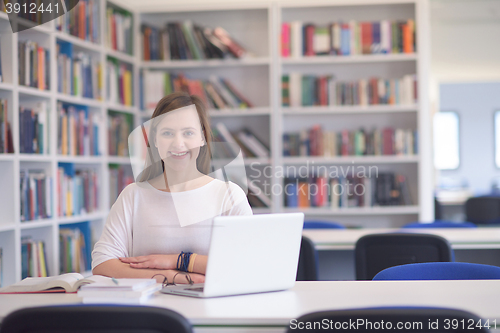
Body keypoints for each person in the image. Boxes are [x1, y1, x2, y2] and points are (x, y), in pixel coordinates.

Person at [92, 92, 253, 284]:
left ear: (202, 138)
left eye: (188, 133)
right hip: (149, 311)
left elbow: (247, 264)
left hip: (210, 310)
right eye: (167, 133)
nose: (178, 143)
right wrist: (173, 276)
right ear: (154, 140)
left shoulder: (229, 195)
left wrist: (179, 260)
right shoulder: (133, 195)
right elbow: (103, 264)